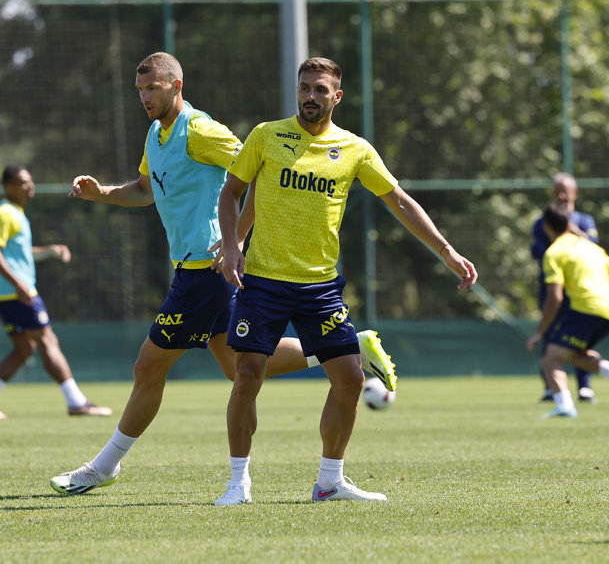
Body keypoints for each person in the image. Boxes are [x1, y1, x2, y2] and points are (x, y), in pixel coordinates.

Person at [49, 52, 396, 495]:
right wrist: (102, 193)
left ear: (176, 85)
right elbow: (143, 191)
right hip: (202, 269)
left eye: (152, 88)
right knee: (238, 368)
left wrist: (235, 241)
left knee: (148, 367)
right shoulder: (157, 133)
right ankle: (343, 347)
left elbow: (262, 170)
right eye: (139, 91)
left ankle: (103, 466)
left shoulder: (201, 130)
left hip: (206, 271)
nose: (144, 97)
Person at [214, 57, 478, 506]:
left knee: (351, 380)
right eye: (304, 88)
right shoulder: (266, 135)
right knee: (247, 374)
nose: (310, 96)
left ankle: (329, 482)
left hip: (320, 286)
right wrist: (233, 245)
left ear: (336, 96)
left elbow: (398, 199)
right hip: (264, 280)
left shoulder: (354, 148)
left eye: (320, 89)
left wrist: (447, 251)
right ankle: (238, 482)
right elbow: (231, 192)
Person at [0, 165, 112, 419]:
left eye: (29, 180)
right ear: (8, 186)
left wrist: (50, 250)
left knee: (24, 349)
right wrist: (19, 284)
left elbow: (19, 253)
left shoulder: (17, 212)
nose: (29, 185)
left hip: (5, 292)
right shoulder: (5, 213)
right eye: (22, 182)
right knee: (48, 340)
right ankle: (77, 403)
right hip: (18, 292)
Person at [525, 203, 609, 419]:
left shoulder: (553, 253)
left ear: (545, 228)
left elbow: (555, 297)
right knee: (573, 355)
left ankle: (565, 406)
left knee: (550, 359)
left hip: (586, 310)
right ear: (570, 224)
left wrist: (539, 332)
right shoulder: (592, 248)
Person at [530, 172, 599, 403]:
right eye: (557, 190)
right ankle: (551, 388)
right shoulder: (542, 222)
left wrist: (575, 233)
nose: (560, 194)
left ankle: (584, 386)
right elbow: (538, 251)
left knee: (579, 341)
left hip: (578, 292)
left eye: (565, 190)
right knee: (550, 336)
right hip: (551, 288)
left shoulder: (585, 220)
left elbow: (594, 247)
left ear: (574, 193)